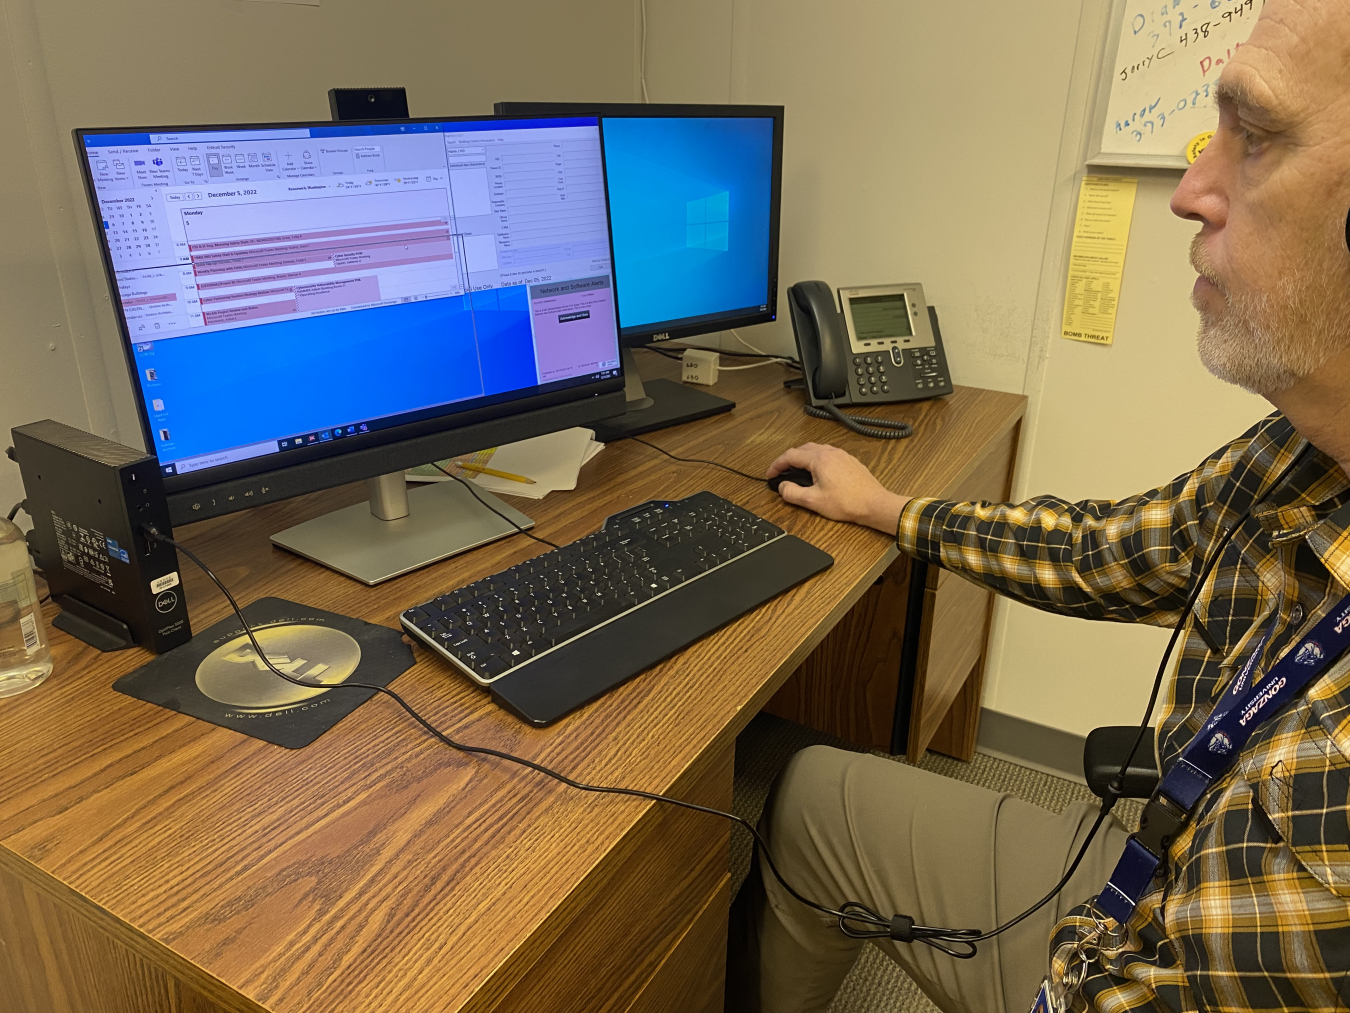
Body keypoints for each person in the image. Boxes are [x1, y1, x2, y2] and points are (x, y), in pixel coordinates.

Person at [730, 2, 1350, 1010]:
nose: (1190, 192)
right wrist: (894, 508)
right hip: (1158, 871)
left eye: (1258, 137)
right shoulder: (1307, 451)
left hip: (1127, 964)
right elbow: (1112, 550)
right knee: (816, 793)